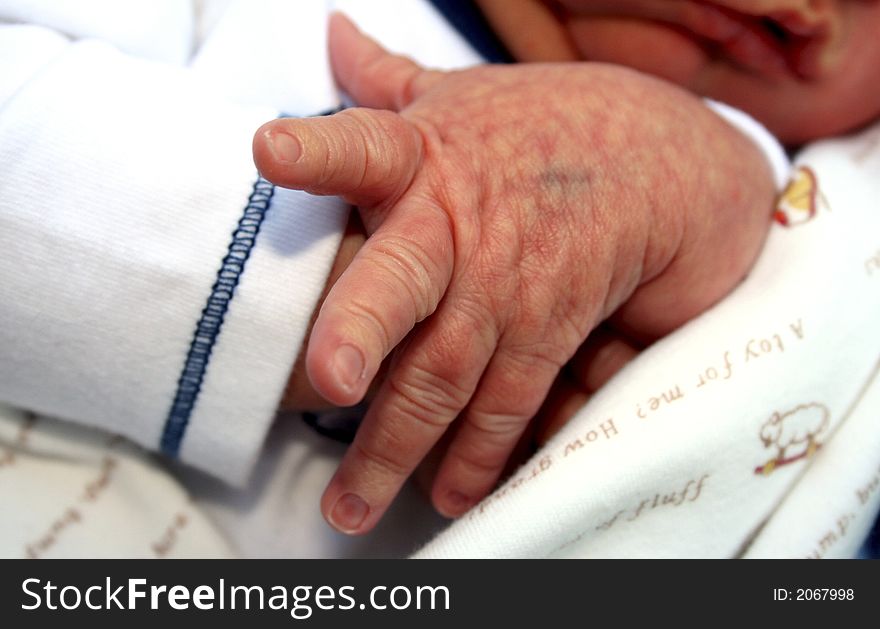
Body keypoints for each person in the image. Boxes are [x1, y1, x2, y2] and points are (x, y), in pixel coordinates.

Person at [252, 0, 880, 536]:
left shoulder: (840, 193)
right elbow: (153, 184)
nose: (809, 11)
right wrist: (360, 281)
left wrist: (729, 163)